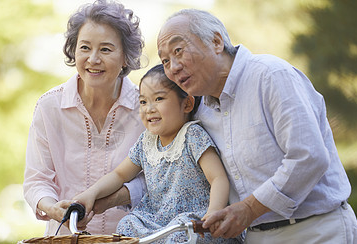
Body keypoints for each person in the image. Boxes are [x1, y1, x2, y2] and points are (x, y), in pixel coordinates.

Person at [95, 8, 357, 243]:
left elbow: (309, 157)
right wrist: (101, 202)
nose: (173, 67)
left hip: (315, 232)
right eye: (165, 60)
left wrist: (248, 209)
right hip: (254, 237)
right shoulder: (198, 109)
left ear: (216, 41)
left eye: (178, 51)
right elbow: (170, 173)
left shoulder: (271, 76)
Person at [72, 64, 243, 243]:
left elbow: (218, 178)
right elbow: (119, 174)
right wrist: (91, 194)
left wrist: (213, 213)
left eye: (159, 98)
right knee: (127, 224)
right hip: (158, 221)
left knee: (180, 233)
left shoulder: (192, 135)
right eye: (143, 102)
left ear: (187, 104)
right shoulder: (146, 141)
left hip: (194, 222)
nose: (149, 108)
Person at [23, 0, 146, 236]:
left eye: (106, 49)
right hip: (66, 238)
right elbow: (36, 181)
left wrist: (108, 200)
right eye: (85, 47)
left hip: (132, 239)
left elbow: (159, 180)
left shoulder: (148, 108)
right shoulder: (50, 106)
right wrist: (53, 208)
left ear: (125, 58)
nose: (93, 59)